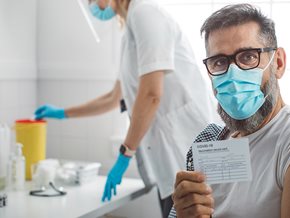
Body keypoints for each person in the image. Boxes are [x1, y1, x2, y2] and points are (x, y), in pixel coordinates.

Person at [170, 4, 290, 218]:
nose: (233, 77)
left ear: (278, 63)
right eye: (219, 62)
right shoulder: (211, 143)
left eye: (248, 57)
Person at [34, 0, 215, 217]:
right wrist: (63, 113)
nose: (91, 4)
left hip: (188, 151)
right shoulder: (130, 28)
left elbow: (150, 94)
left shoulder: (146, 13)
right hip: (172, 162)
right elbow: (113, 98)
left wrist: (125, 153)